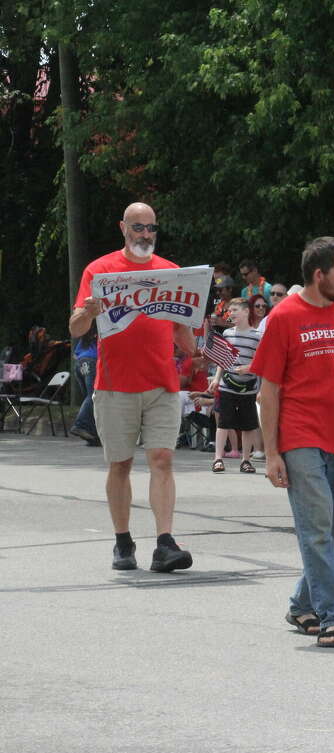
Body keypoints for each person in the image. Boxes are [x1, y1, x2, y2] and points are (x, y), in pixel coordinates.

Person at [252, 236, 334, 648]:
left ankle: (301, 604)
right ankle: (332, 615)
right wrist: (271, 454)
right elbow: (267, 392)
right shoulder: (285, 316)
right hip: (300, 436)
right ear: (319, 274)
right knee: (318, 528)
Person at [69, 201, 196, 572]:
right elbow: (76, 328)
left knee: (162, 459)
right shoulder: (101, 270)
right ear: (122, 227)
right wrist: (88, 312)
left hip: (161, 384)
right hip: (115, 384)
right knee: (120, 464)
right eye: (138, 227)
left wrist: (192, 321)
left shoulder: (172, 272)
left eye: (151, 228)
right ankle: (123, 542)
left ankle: (165, 543)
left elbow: (186, 344)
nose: (145, 235)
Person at [208, 298, 263, 474]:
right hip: (227, 385)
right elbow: (222, 360)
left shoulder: (257, 336)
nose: (231, 314)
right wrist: (217, 378)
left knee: (248, 425)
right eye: (229, 311)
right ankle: (218, 458)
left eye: (234, 310)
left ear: (246, 312)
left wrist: (252, 375)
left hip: (249, 387)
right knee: (223, 423)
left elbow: (263, 363)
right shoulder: (227, 334)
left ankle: (246, 460)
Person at [68, 322, 100, 445]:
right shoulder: (101, 333)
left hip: (80, 364)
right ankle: (80, 425)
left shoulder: (87, 335)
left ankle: (92, 435)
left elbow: (76, 354)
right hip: (92, 362)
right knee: (94, 396)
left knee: (90, 398)